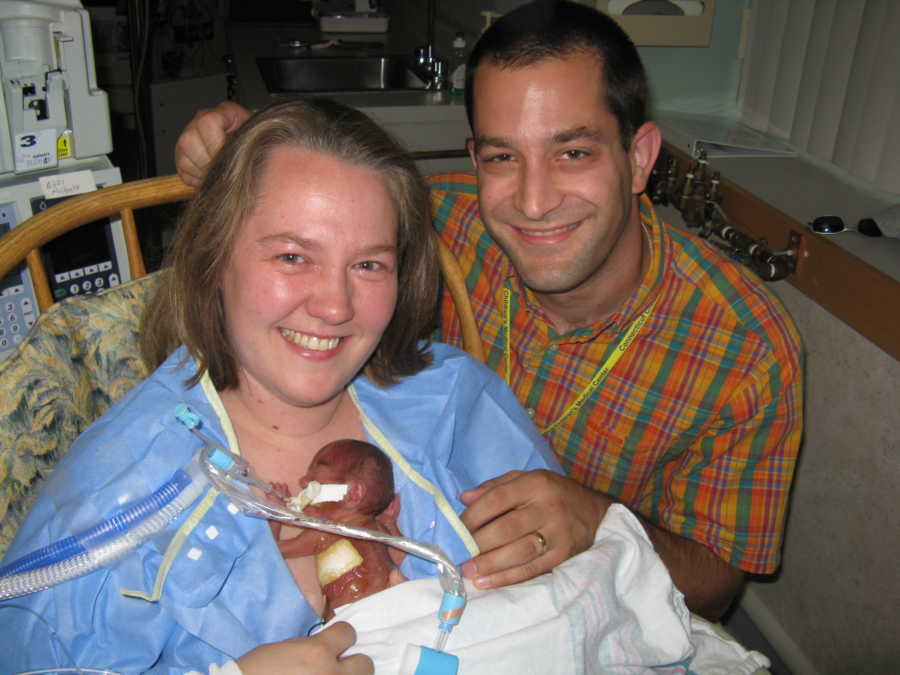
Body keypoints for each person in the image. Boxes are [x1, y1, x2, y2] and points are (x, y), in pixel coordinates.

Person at [173, 1, 803, 622]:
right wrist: (238, 143)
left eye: (573, 153)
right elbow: (317, 202)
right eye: (504, 157)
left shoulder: (744, 346)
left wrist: (600, 521)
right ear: (475, 160)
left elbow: (717, 587)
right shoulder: (427, 232)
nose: (533, 202)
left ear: (638, 157)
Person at [0, 98, 559, 674]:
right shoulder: (119, 494)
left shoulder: (457, 405)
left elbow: (593, 601)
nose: (335, 305)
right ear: (215, 257)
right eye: (293, 256)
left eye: (369, 265)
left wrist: (593, 528)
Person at [272, 439, 396, 616]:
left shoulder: (326, 534)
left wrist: (274, 517)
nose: (303, 481)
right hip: (387, 611)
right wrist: (391, 523)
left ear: (353, 493)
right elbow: (401, 557)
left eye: (315, 482)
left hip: (351, 619)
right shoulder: (377, 529)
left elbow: (274, 550)